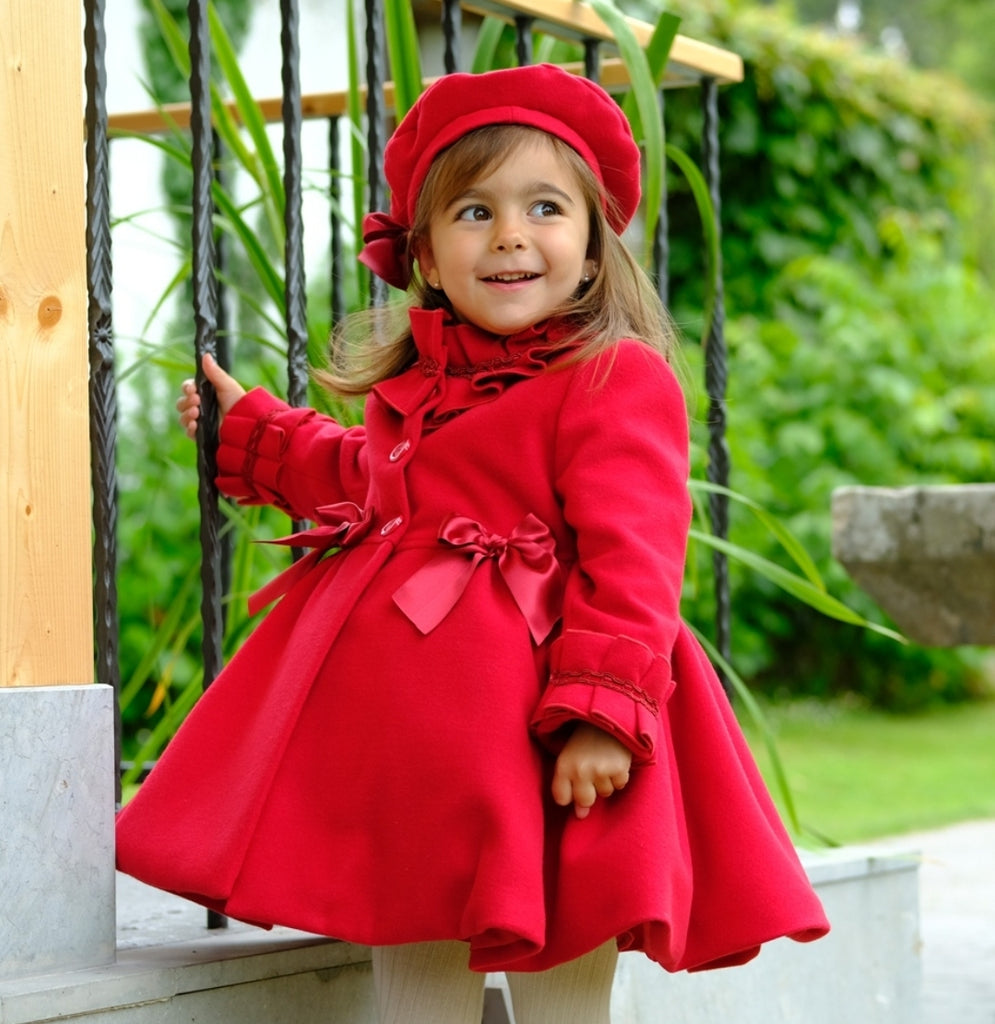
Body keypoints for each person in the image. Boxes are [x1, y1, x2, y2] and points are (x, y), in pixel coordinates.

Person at [117, 63, 829, 1024]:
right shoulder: (423, 384)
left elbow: (635, 561)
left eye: (544, 207)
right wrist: (257, 433)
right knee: (414, 942)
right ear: (425, 253)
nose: (508, 234)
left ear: (591, 252)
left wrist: (600, 713)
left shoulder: (612, 378)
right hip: (416, 751)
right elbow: (369, 483)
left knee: (562, 950)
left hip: (549, 729)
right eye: (473, 212)